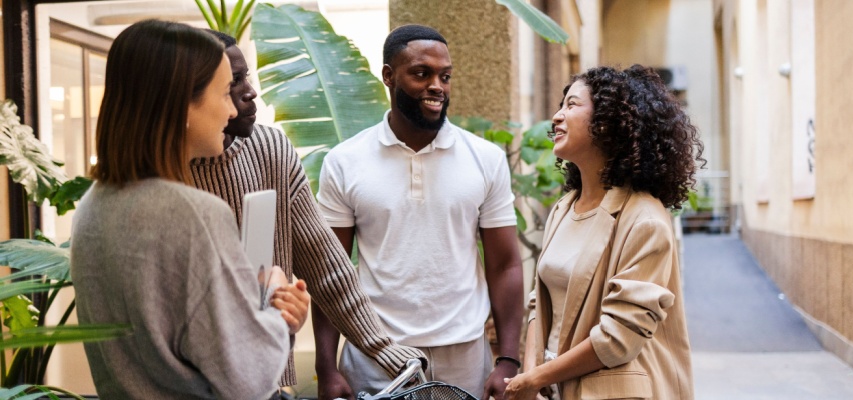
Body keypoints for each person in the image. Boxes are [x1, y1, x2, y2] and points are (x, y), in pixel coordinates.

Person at [70, 20, 310, 399]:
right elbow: (247, 381)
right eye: (222, 94)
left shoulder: (91, 207)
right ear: (180, 103)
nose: (232, 110)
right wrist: (275, 313)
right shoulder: (195, 214)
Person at [193, 30, 427, 395]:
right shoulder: (160, 180)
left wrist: (384, 350)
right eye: (232, 84)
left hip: (266, 380)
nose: (249, 91)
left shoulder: (269, 148)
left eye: (246, 77)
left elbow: (326, 266)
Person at [315, 24, 524, 399]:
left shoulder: (486, 159)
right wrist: (326, 368)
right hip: (375, 354)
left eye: (445, 76)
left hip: (465, 355)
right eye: (421, 73)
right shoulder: (344, 162)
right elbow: (331, 270)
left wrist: (508, 358)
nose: (437, 86)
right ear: (388, 76)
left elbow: (505, 264)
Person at [503, 65, 704, 400]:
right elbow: (540, 302)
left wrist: (536, 377)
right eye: (560, 105)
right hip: (553, 388)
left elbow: (618, 337)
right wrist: (531, 377)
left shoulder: (644, 219)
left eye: (571, 105)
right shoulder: (564, 208)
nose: (557, 116)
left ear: (607, 123)